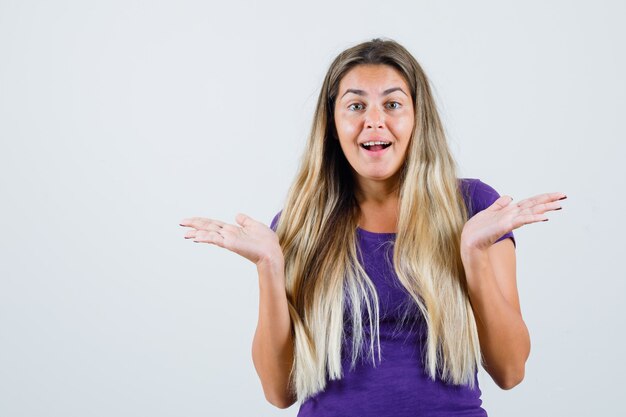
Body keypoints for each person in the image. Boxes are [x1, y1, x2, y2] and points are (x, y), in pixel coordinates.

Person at [179, 38, 566, 416]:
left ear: (417, 118)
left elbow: (511, 371)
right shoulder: (300, 225)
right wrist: (268, 264)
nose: (374, 121)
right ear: (332, 123)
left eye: (393, 104)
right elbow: (280, 392)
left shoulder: (474, 209)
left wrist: (474, 254)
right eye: (356, 106)